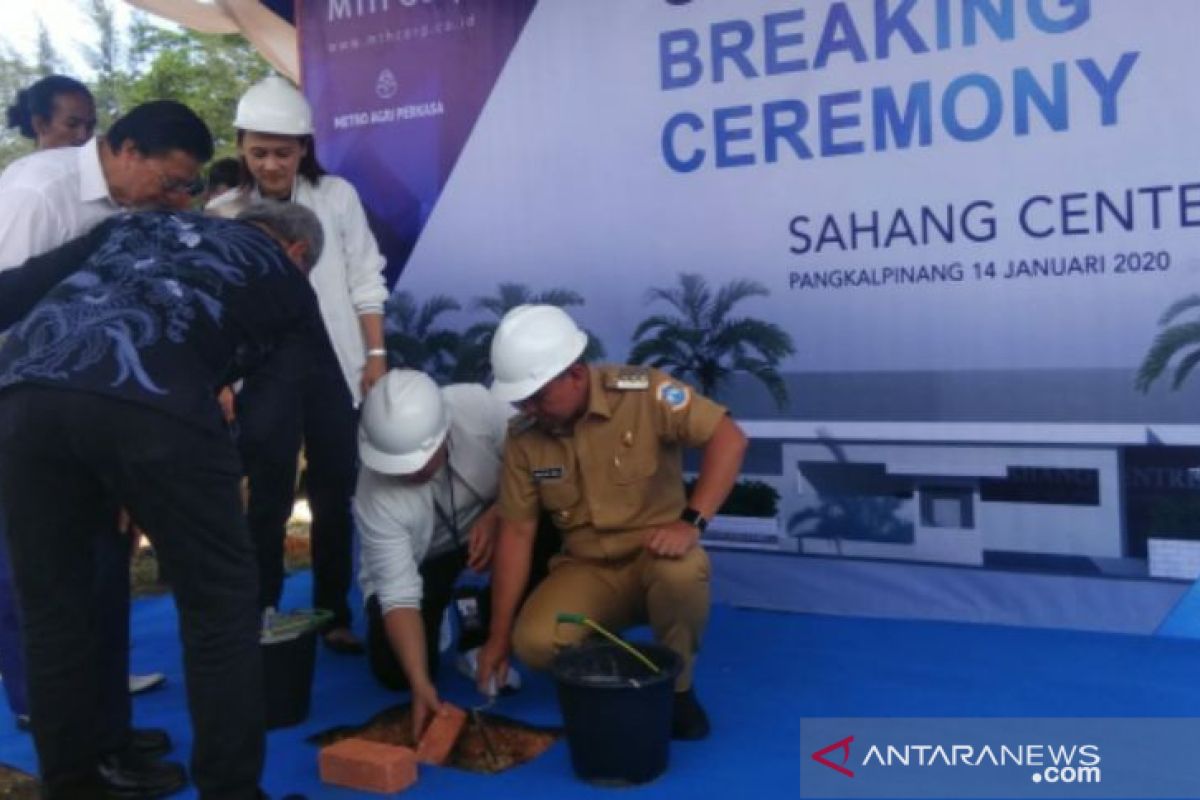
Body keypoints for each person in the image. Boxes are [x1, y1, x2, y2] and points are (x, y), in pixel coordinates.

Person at [0, 200, 326, 800]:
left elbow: (14, 290)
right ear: (298, 253)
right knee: (220, 604)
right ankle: (231, 792)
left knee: (52, 609)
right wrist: (217, 491)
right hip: (157, 403)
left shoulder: (138, 222)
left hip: (24, 395)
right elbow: (271, 429)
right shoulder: (285, 282)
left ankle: (72, 787)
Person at [0, 99, 212, 798]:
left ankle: (111, 734)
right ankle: (77, 765)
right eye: (170, 181)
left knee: (106, 580)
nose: (176, 198)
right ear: (125, 151)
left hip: (101, 422)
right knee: (57, 601)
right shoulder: (38, 195)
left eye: (188, 187)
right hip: (32, 432)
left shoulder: (130, 209)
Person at [475, 305, 748, 741]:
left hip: (655, 558)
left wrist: (691, 523)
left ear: (577, 374)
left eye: (539, 396)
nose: (529, 408)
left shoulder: (644, 392)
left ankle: (676, 689)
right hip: (587, 570)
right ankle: (608, 665)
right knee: (536, 643)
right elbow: (518, 534)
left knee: (684, 572)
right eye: (521, 400)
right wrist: (497, 637)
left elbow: (728, 438)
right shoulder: (525, 437)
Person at [209, 74, 389, 653]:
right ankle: (259, 611)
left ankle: (333, 611)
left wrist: (376, 355)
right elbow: (212, 305)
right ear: (240, 147)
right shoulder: (221, 212)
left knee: (336, 490)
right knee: (268, 495)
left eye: (282, 153)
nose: (270, 164)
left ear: (304, 148)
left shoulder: (336, 197)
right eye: (258, 151)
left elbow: (365, 275)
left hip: (331, 361)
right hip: (260, 370)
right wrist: (219, 379)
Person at [355, 370, 530, 736]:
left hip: (503, 526)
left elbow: (535, 461)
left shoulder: (477, 408)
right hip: (425, 560)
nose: (410, 472)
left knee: (549, 528)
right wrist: (421, 685)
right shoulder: (372, 493)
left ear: (445, 433)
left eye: (419, 460)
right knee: (396, 673)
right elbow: (398, 594)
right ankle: (442, 622)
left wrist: (500, 513)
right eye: (398, 465)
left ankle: (485, 618)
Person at [5, 74, 96, 150]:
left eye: (90, 127)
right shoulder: (27, 171)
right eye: (72, 125)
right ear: (41, 124)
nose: (83, 136)